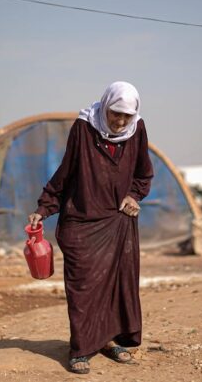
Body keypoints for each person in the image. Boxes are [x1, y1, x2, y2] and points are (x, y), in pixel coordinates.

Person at [28, 81, 153, 374]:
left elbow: (143, 173)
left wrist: (133, 195)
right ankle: (81, 347)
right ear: (105, 105)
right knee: (83, 288)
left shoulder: (137, 131)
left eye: (126, 116)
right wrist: (44, 208)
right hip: (81, 222)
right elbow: (66, 171)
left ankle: (110, 341)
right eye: (115, 113)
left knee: (114, 286)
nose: (120, 121)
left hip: (118, 222)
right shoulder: (84, 128)